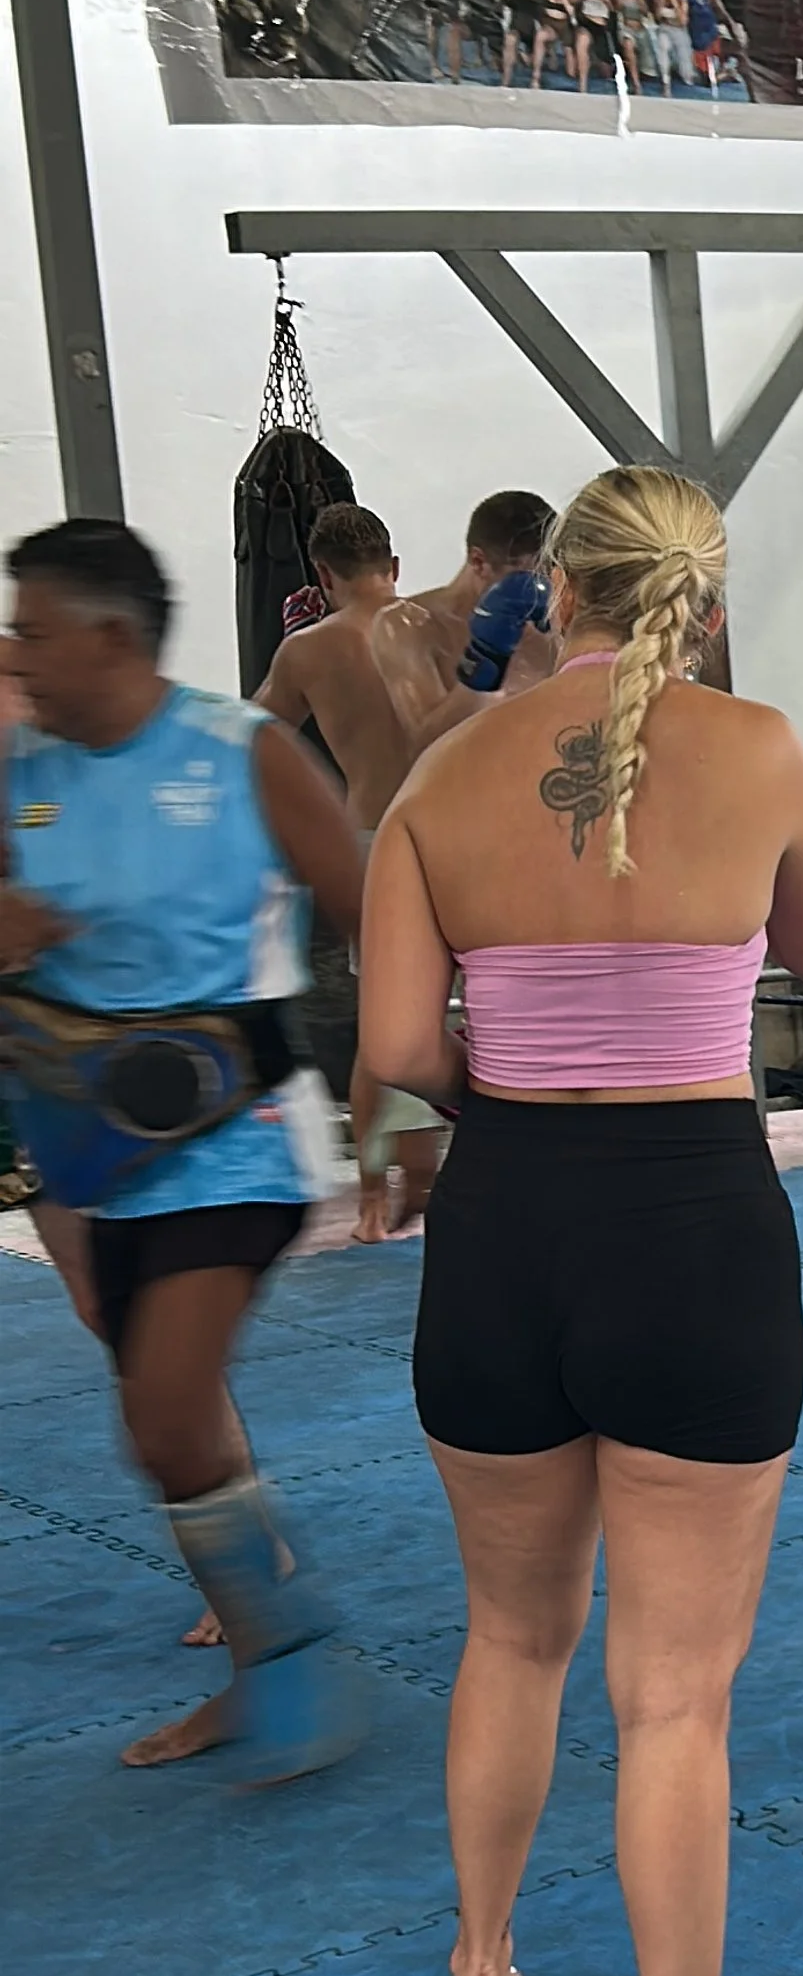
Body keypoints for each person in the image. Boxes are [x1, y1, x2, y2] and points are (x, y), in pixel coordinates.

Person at [359, 466, 803, 1976]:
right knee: (673, 1693)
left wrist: (535, 1038)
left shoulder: (443, 773)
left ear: (551, 590)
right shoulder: (766, 746)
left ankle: (482, 1957)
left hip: (500, 1228)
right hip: (694, 1233)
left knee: (511, 1633)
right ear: (701, 605)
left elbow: (403, 1055)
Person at [0, 516, 369, 1778]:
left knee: (163, 1411)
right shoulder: (21, 771)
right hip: (88, 1140)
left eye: (33, 631)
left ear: (112, 636)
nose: (17, 653)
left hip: (239, 1138)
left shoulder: (239, 750)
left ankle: (284, 1645)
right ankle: (264, 1650)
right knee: (162, 1426)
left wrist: (417, 1088)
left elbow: (372, 902)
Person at [253, 497, 448, 1240]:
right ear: (393, 567)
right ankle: (429, 1179)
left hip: (377, 839)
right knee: (461, 1017)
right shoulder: (442, 628)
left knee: (384, 1027)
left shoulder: (309, 651)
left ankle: (373, 1194)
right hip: (460, 833)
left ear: (324, 574)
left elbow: (254, 733)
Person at [371, 488, 558, 738]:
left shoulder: (544, 630)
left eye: (548, 577)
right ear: (479, 562)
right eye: (526, 580)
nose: (539, 591)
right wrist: (488, 657)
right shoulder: (408, 624)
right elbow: (425, 743)